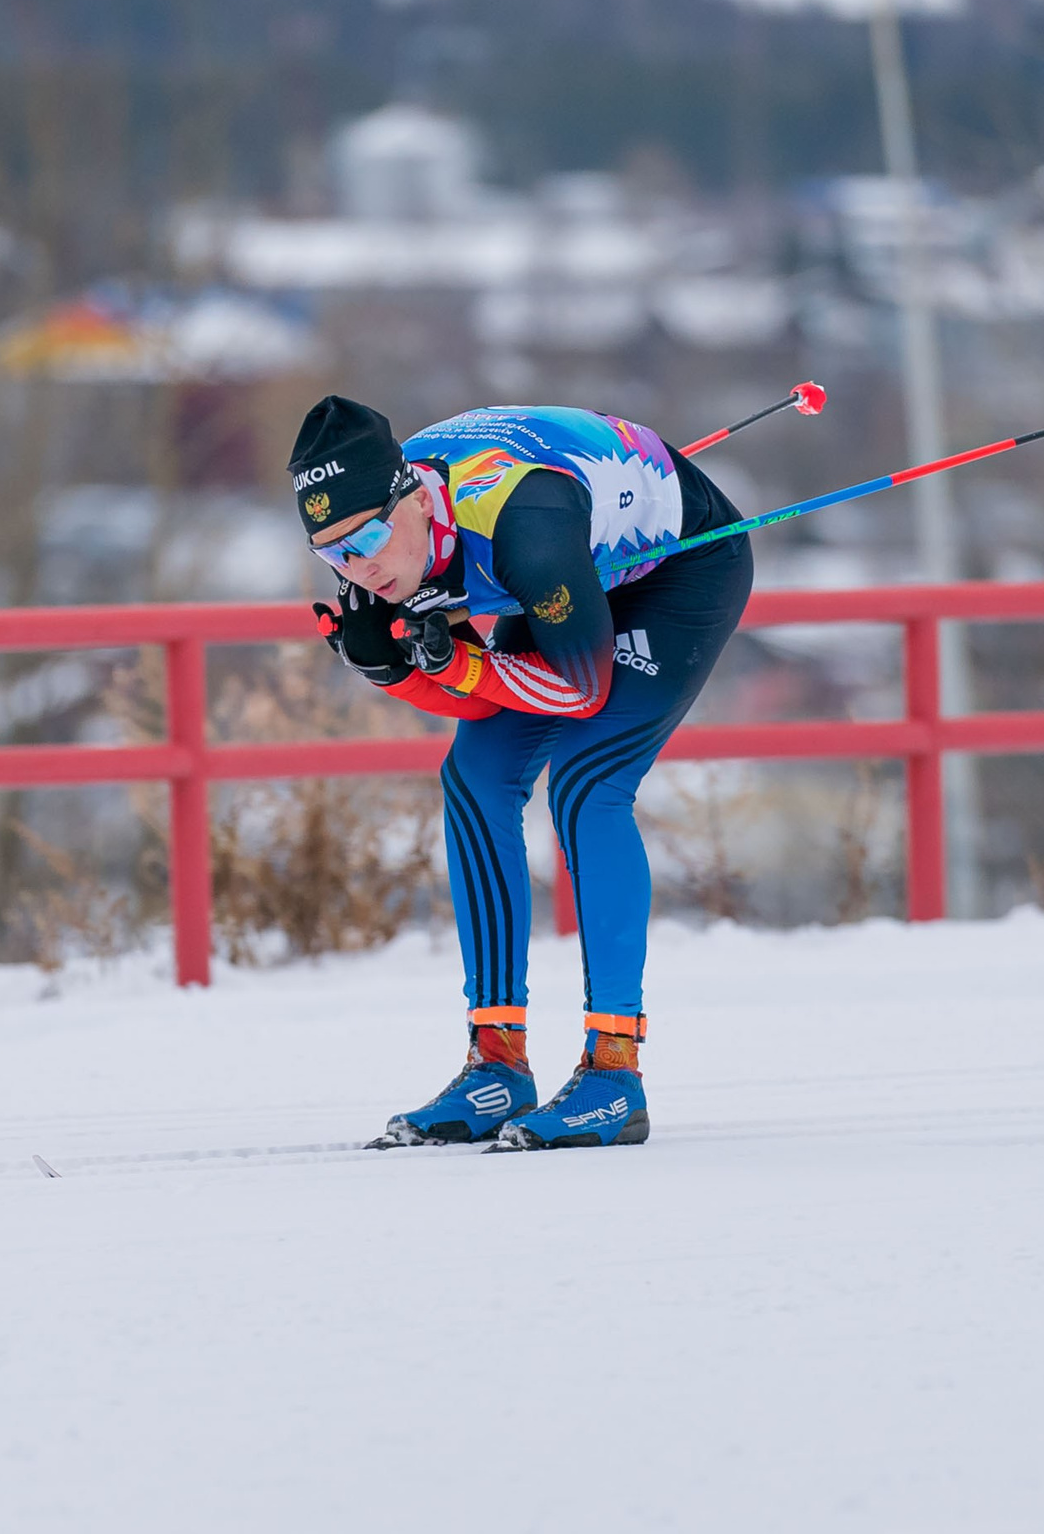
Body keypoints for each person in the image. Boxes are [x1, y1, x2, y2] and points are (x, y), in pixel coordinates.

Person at [289, 394, 754, 1150]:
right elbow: (476, 708)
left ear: (410, 494)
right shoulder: (383, 551)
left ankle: (614, 1073)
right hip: (574, 573)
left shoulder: (521, 525)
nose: (360, 564)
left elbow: (581, 689)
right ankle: (496, 1062)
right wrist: (396, 672)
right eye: (334, 552)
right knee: (475, 777)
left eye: (370, 535)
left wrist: (465, 662)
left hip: (678, 571)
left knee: (586, 782)